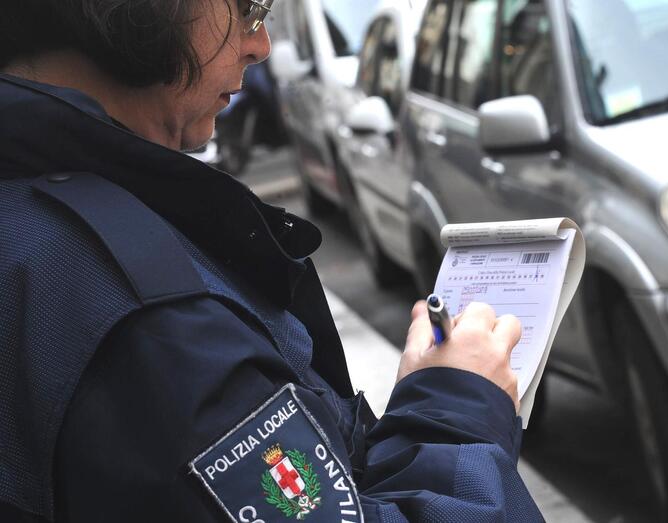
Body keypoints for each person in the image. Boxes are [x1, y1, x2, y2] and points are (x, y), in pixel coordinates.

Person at [0, 1, 542, 521]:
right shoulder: (150, 321)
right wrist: (457, 409)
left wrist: (416, 418)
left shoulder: (32, 212)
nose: (258, 45)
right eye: (247, 7)